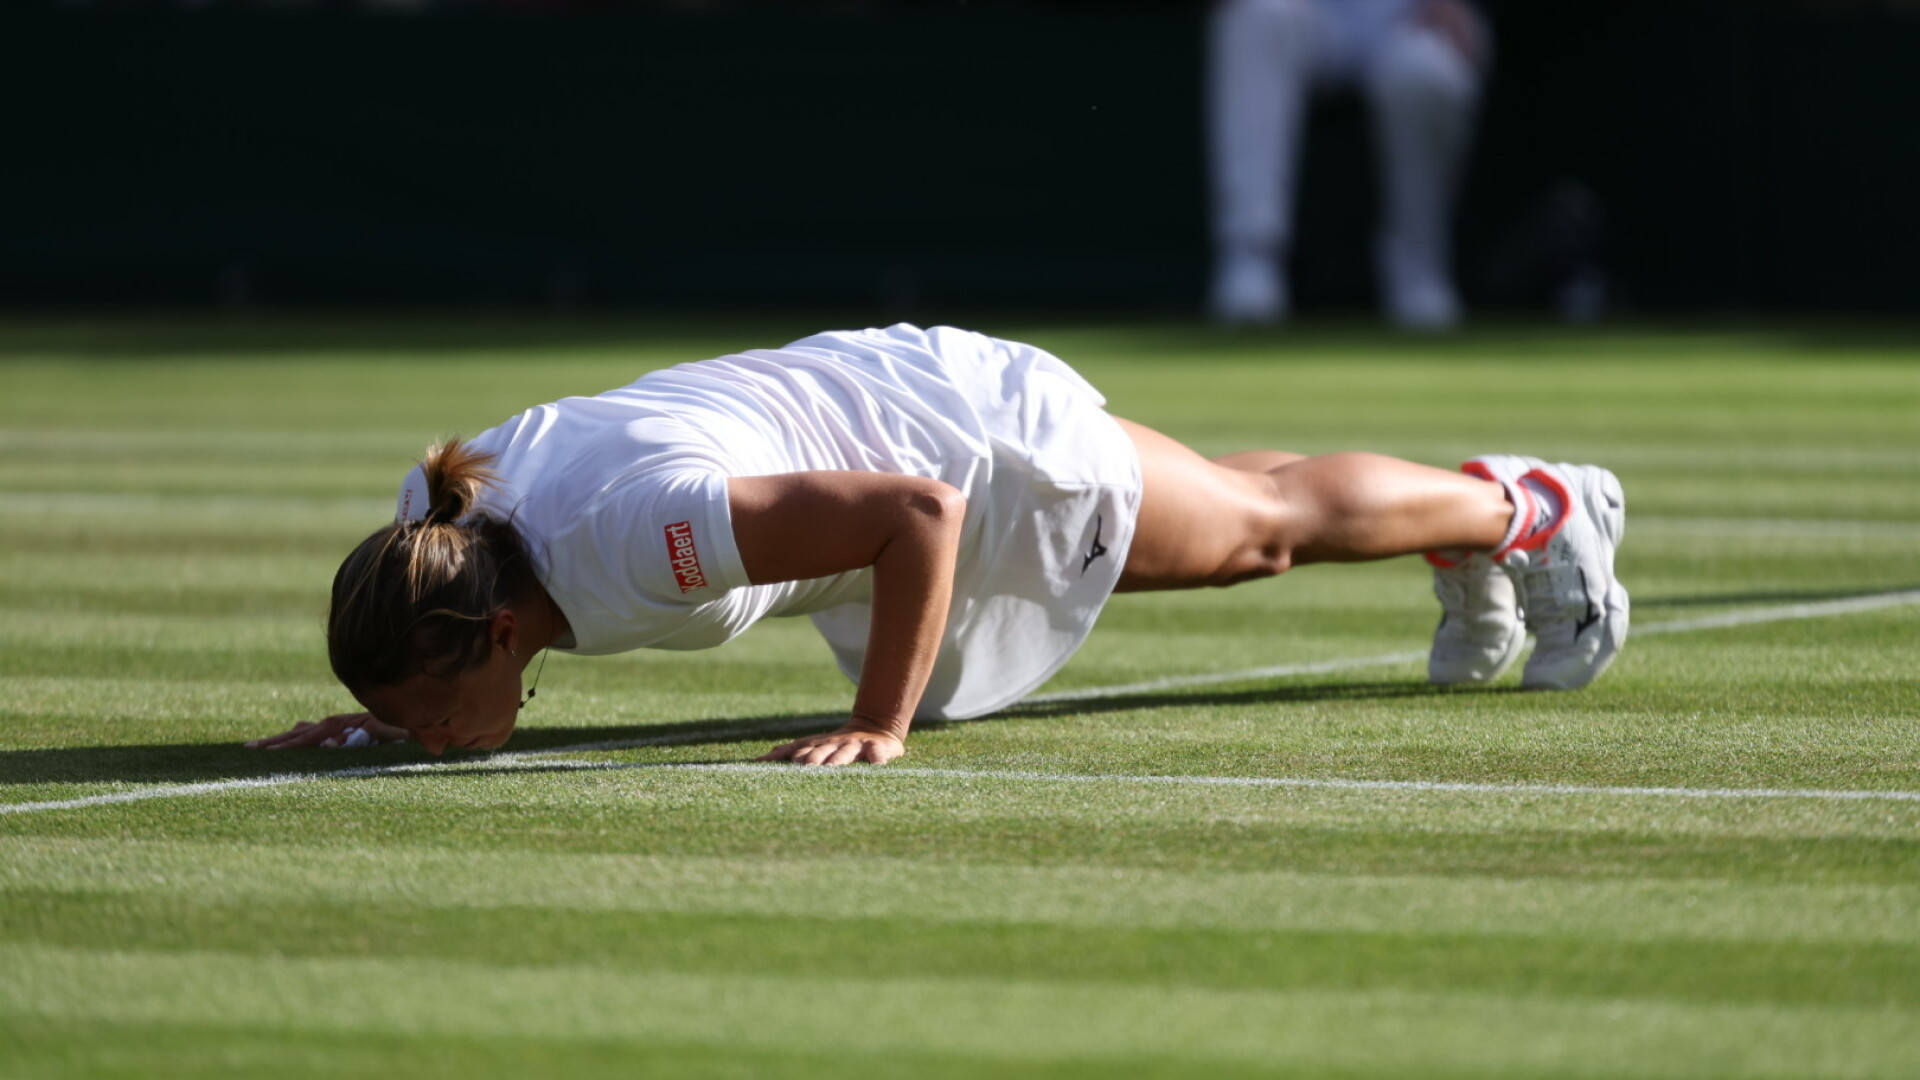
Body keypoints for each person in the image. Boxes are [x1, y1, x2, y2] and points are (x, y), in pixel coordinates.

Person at [245, 324, 1627, 765]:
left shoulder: (640, 540)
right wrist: (385, 710)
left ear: (499, 634)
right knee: (1222, 495)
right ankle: (1475, 529)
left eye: (433, 715)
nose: (432, 741)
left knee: (1255, 537)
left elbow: (918, 515)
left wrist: (879, 721)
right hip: (886, 399)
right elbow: (430, 639)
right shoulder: (439, 521)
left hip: (971, 447)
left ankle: (1533, 512)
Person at [1208, 0, 1490, 328]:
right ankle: (1251, 260)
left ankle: (1421, 274)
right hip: (1308, 11)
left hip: (1406, 15)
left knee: (1429, 71)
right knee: (1258, 14)